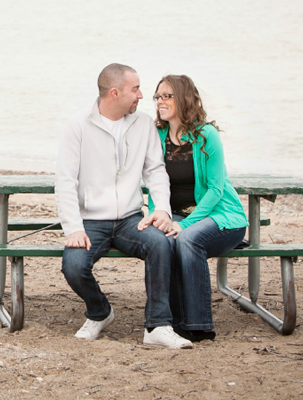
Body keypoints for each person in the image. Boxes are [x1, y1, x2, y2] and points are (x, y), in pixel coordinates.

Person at [55, 63, 192, 349]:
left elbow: (155, 171)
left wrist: (162, 210)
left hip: (132, 219)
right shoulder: (78, 126)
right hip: (91, 221)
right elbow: (66, 182)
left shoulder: (143, 124)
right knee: (74, 266)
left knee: (161, 244)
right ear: (115, 93)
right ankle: (100, 312)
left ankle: (157, 325)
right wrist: (73, 228)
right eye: (136, 89)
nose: (142, 95)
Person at [139, 75, 248, 342]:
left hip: (221, 216)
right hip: (176, 214)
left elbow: (215, 190)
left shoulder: (206, 135)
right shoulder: (158, 134)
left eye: (167, 96)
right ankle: (171, 322)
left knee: (186, 239)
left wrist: (183, 224)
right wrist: (158, 213)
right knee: (162, 241)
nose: (160, 102)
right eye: (158, 97)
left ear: (184, 98)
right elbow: (155, 180)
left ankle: (199, 324)